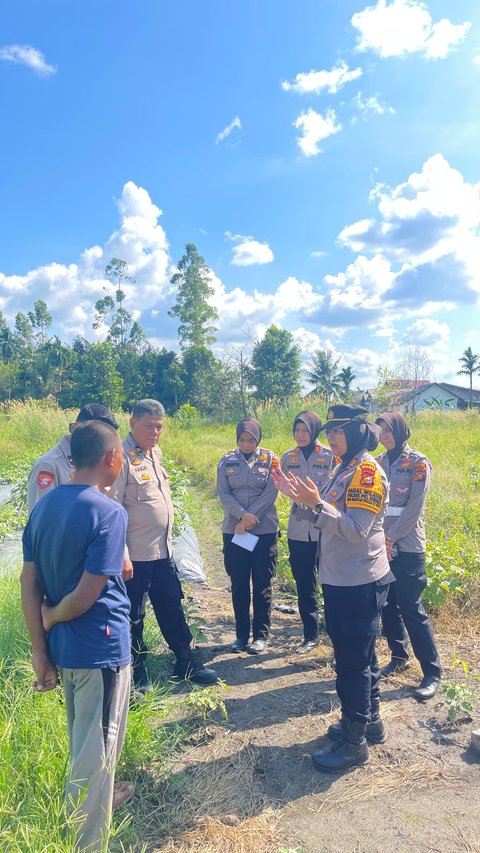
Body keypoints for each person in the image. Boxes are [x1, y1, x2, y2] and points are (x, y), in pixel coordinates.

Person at [21, 420, 133, 851]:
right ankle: (88, 842)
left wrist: (40, 648)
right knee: (97, 752)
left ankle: (91, 818)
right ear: (110, 458)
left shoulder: (45, 508)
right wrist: (49, 621)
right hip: (99, 649)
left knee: (84, 741)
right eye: (119, 453)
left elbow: (28, 583)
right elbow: (86, 596)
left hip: (67, 651)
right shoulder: (107, 511)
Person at [272, 404, 393, 772]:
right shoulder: (344, 468)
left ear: (356, 433)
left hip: (359, 580)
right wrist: (301, 500)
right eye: (329, 432)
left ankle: (354, 742)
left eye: (338, 432)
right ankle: (368, 722)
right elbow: (324, 516)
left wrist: (317, 504)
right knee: (360, 657)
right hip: (342, 578)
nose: (330, 438)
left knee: (353, 664)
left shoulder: (367, 472)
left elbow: (355, 529)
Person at [112, 398, 217, 691]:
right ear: (133, 423)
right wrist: (122, 554)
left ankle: (185, 661)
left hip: (162, 552)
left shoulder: (154, 453)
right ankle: (137, 671)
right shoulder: (121, 457)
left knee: (171, 605)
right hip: (136, 556)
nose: (155, 432)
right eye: (150, 426)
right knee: (134, 615)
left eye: (159, 427)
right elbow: (114, 508)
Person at [375, 411, 441, 701]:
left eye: (388, 430)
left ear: (400, 431)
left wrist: (390, 537)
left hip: (408, 545)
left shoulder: (417, 463)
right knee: (388, 604)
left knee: (411, 607)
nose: (384, 435)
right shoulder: (375, 464)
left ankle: (432, 672)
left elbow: (414, 508)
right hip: (381, 546)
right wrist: (380, 540)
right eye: (380, 430)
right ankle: (398, 656)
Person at [217, 417, 279, 654]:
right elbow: (223, 493)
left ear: (258, 438)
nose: (246, 444)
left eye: (250, 440)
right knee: (239, 584)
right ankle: (241, 636)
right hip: (235, 531)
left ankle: (260, 637)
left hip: (263, 531)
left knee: (262, 584)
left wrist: (251, 516)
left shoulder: (271, 459)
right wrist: (242, 516)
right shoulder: (226, 460)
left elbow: (272, 491)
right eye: (242, 440)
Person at [280, 411, 333, 653]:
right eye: (296, 430)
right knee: (304, 583)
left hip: (326, 527)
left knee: (332, 582)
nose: (300, 435)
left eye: (305, 430)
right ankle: (310, 635)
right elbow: (282, 486)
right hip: (299, 528)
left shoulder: (332, 456)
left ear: (315, 431)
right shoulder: (288, 457)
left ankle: (333, 632)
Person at [27, 403, 119, 513]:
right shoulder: (48, 465)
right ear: (76, 428)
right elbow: (41, 519)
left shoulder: (101, 460)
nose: (99, 444)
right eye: (95, 436)